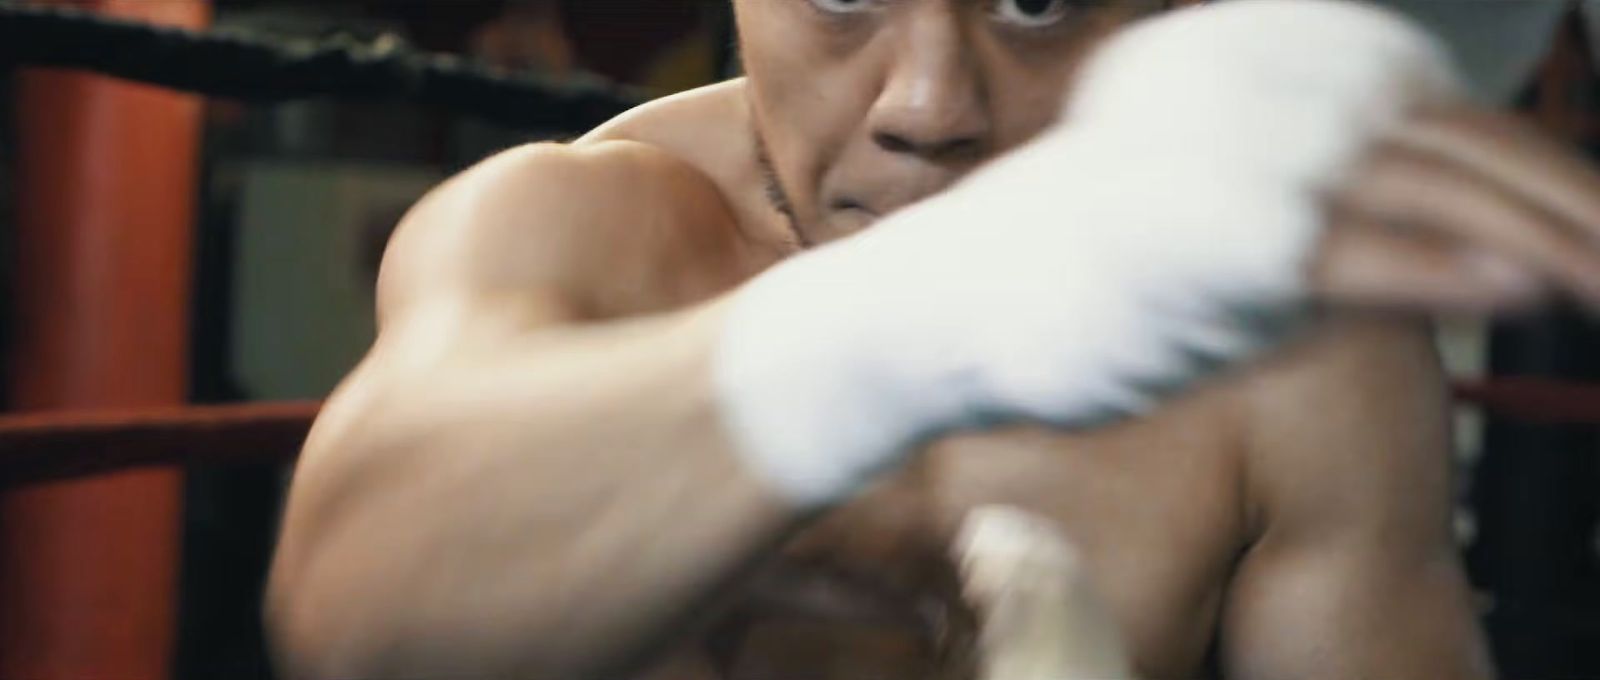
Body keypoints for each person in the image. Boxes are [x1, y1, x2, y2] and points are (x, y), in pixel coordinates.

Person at [266, 1, 1600, 678]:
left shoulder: (1298, 361)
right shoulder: (578, 230)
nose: (930, 102)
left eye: (1036, 0)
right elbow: (351, 600)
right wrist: (908, 325)